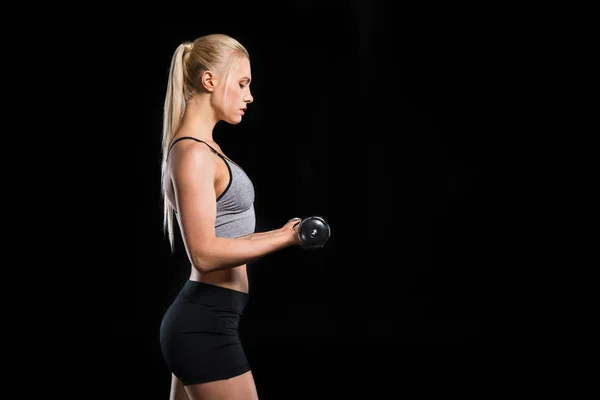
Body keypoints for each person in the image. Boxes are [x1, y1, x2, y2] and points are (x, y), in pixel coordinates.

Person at [158, 33, 303, 400]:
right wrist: (285, 240)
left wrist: (285, 232)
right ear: (209, 81)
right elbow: (204, 254)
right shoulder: (191, 153)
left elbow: (230, 238)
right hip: (203, 324)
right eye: (242, 83)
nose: (249, 95)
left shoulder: (205, 148)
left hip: (211, 320)